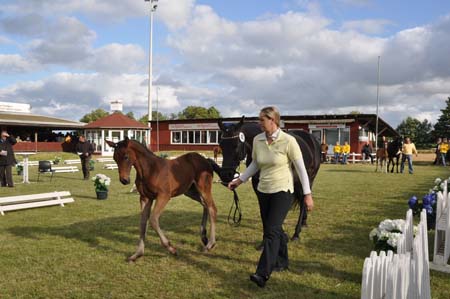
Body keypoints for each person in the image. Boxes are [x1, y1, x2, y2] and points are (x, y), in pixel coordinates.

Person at [227, 106, 313, 288]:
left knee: (271, 231)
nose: (259, 123)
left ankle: (262, 273)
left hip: (283, 190)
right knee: (272, 228)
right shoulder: (258, 140)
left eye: (262, 120)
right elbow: (256, 164)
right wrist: (240, 180)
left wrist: (307, 194)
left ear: (272, 120)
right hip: (263, 190)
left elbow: (301, 170)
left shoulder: (288, 141)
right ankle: (282, 261)